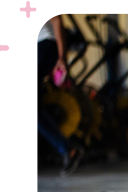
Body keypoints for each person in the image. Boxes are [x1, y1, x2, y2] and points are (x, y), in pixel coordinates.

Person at [39, 15, 84, 176]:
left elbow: (56, 19)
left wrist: (61, 57)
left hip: (45, 44)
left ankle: (66, 149)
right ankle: (67, 149)